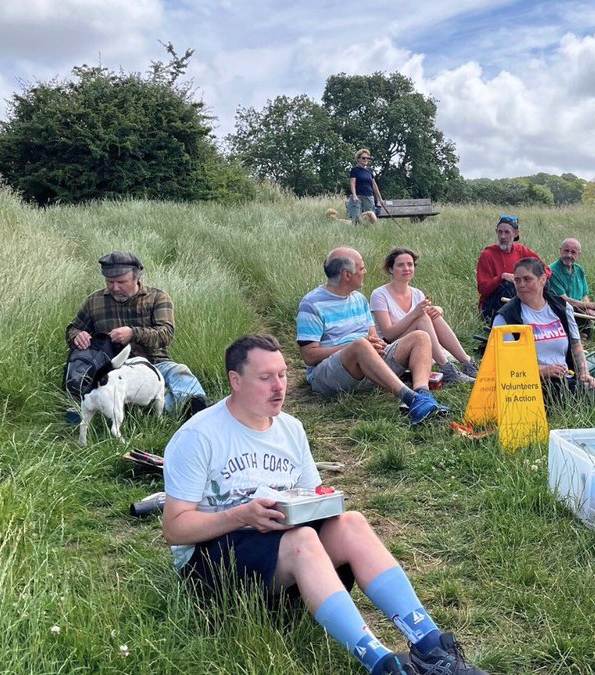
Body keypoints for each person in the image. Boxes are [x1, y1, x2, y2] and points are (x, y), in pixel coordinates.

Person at [162, 334, 487, 675]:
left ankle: (431, 646)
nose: (279, 386)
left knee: (351, 524)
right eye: (265, 378)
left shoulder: (291, 429)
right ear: (235, 380)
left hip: (280, 555)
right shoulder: (199, 436)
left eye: (282, 375)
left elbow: (312, 498)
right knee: (303, 540)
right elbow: (174, 529)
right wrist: (241, 515)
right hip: (213, 567)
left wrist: (321, 503)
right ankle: (382, 664)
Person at [297, 248, 447, 425]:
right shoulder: (312, 304)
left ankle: (423, 393)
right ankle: (412, 400)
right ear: (347, 275)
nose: (365, 272)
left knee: (420, 337)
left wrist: (376, 345)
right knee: (360, 344)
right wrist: (355, 347)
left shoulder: (359, 299)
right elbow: (309, 356)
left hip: (368, 365)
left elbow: (372, 336)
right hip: (329, 375)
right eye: (361, 268)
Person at [67, 252, 208, 418]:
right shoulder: (94, 301)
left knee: (180, 373)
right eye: (110, 282)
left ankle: (197, 412)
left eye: (121, 282)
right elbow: (73, 329)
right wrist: (77, 335)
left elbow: (166, 334)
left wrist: (133, 334)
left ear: (136, 277)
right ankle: (154, 408)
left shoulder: (158, 298)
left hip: (155, 364)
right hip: (112, 370)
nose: (115, 288)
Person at [493, 258, 595, 403]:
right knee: (586, 398)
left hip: (566, 378)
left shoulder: (561, 307)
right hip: (530, 386)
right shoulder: (506, 317)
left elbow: (576, 346)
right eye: (517, 280)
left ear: (543, 279)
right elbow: (505, 363)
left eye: (527, 279)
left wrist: (584, 373)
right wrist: (542, 371)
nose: (521, 285)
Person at [370, 247, 479, 385]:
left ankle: (467, 363)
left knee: (432, 316)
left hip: (419, 341)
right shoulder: (379, 294)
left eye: (410, 264)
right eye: (400, 265)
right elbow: (388, 334)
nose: (406, 268)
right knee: (422, 318)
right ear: (391, 269)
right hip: (392, 347)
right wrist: (414, 314)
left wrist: (438, 310)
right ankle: (447, 369)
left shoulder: (417, 293)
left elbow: (428, 317)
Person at [474, 214, 547, 323]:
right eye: (500, 232)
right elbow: (483, 289)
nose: (503, 236)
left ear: (515, 233)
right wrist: (501, 277)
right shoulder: (487, 254)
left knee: (545, 282)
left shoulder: (522, 251)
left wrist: (532, 280)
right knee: (508, 285)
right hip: (493, 305)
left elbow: (545, 270)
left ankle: (543, 317)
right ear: (496, 232)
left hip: (523, 299)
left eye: (507, 232)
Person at [548, 238, 595, 315]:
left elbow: (584, 296)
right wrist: (592, 305)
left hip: (580, 311)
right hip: (562, 312)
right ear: (560, 250)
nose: (569, 255)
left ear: (578, 255)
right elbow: (564, 300)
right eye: (566, 251)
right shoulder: (552, 271)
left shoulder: (579, 270)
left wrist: (588, 310)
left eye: (573, 252)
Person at [348, 148, 384, 224]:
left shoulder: (370, 170)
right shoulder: (354, 170)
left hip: (369, 196)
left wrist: (380, 199)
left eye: (367, 158)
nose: (366, 159)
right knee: (356, 218)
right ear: (358, 159)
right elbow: (352, 183)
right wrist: (354, 195)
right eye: (363, 158)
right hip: (358, 196)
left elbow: (374, 185)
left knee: (370, 219)